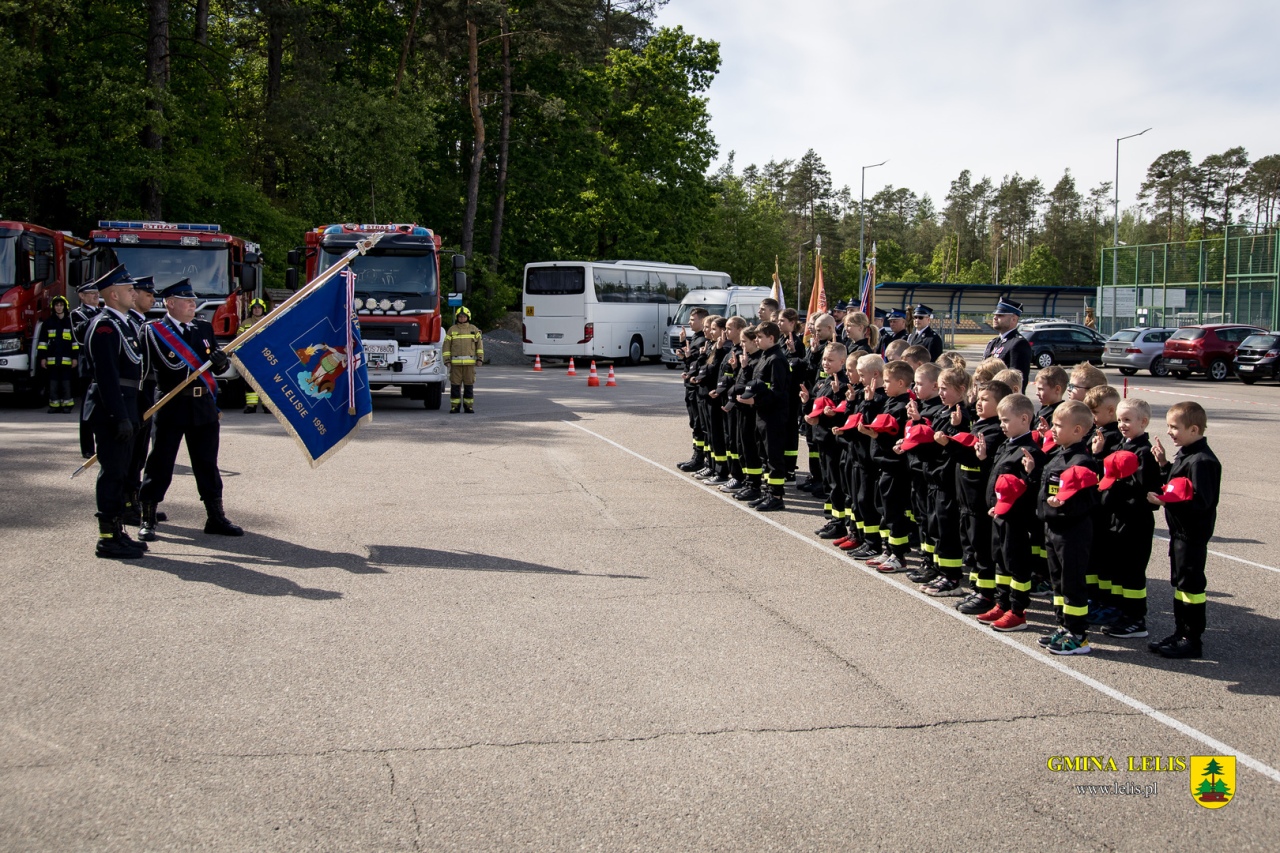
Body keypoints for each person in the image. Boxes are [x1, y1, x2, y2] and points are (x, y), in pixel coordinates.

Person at [137, 279, 243, 541]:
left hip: (202, 405)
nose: (192, 304)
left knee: (207, 463)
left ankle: (215, 516)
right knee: (160, 463)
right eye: (186, 300)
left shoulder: (203, 328)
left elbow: (216, 366)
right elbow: (143, 373)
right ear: (170, 303)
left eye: (193, 300)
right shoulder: (153, 331)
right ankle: (148, 517)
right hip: (170, 405)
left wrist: (220, 363)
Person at [1146, 401, 1221, 659]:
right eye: (1168, 426)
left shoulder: (1203, 461)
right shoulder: (1186, 454)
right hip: (1180, 533)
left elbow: (1201, 502)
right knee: (1180, 584)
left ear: (1194, 429)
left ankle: (1192, 638)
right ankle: (1181, 633)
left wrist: (1166, 502)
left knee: (1191, 587)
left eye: (1174, 427)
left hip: (1192, 534)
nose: (1169, 432)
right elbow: (1178, 486)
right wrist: (1164, 464)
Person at [1028, 401, 1104, 654]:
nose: (1054, 429)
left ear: (1078, 430)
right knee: (1058, 583)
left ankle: (1078, 634)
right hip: (1053, 528)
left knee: (1072, 584)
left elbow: (1090, 500)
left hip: (1071, 531)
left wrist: (1063, 505)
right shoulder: (1060, 454)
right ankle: (1063, 625)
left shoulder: (1082, 462)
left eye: (1059, 425)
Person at [82, 265, 146, 559]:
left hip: (126, 405)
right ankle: (107, 538)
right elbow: (107, 376)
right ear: (113, 294)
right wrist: (120, 415)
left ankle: (119, 530)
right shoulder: (105, 326)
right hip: (112, 409)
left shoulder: (125, 323)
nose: (135, 293)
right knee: (112, 473)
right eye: (130, 289)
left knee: (122, 473)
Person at [975, 392, 1044, 631]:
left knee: (1017, 564)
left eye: (1005, 420)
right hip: (999, 516)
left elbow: (1029, 489)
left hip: (1016, 519)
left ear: (1024, 419)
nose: (1002, 425)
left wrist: (1033, 472)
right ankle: (1001, 603)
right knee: (1001, 561)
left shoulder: (1030, 452)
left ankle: (1017, 610)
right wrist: (984, 459)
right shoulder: (1008, 444)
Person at [1097, 398, 1160, 640]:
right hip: (1117, 518)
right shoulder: (1122, 446)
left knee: (1132, 572)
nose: (1122, 425)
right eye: (1120, 419)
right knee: (1119, 569)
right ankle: (1120, 611)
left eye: (1127, 420)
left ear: (1143, 422)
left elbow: (1146, 488)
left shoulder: (1144, 452)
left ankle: (1136, 619)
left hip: (1135, 521)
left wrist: (1122, 485)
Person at [951, 380, 1011, 616]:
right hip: (967, 501)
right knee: (974, 547)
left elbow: (987, 466)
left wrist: (981, 456)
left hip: (979, 504)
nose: (978, 403)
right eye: (979, 398)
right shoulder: (979, 425)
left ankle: (986, 593)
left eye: (986, 400)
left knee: (984, 549)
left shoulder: (995, 432)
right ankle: (977, 588)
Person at [859, 359, 914, 572]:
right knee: (884, 509)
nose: (885, 384)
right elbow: (875, 421)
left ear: (901, 383)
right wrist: (870, 402)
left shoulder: (902, 406)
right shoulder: (890, 401)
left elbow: (891, 434)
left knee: (894, 512)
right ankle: (889, 549)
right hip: (883, 465)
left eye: (888, 381)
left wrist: (874, 435)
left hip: (895, 466)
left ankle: (898, 555)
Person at [735, 322, 789, 512]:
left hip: (773, 416)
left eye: (759, 337)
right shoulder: (765, 357)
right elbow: (757, 383)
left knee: (774, 457)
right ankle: (768, 492)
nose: (756, 340)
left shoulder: (776, 359)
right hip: (762, 415)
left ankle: (776, 496)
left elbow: (777, 391)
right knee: (765, 456)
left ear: (771, 338)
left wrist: (755, 401)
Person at [122, 276, 157, 526]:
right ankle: (126, 503)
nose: (152, 299)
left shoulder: (141, 322)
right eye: (148, 295)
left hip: (145, 396)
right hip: (135, 396)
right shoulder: (131, 324)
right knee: (130, 454)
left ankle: (135, 500)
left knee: (140, 453)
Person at [676, 308, 710, 473]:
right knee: (694, 422)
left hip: (697, 387)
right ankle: (697, 456)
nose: (689, 322)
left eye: (692, 319)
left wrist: (687, 356)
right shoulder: (696, 338)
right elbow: (691, 361)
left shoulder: (703, 339)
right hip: (690, 386)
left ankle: (699, 458)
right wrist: (683, 348)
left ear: (703, 321)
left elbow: (698, 363)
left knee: (698, 423)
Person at [71, 280, 101, 457]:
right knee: (86, 409)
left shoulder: (100, 312)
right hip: (87, 366)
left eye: (97, 292)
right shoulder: (78, 314)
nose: (96, 295)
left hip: (100, 364)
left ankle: (102, 444)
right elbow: (80, 336)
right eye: (91, 293)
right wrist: (99, 318)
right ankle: (88, 448)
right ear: (82, 296)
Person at [38, 295, 78, 413]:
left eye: (61, 305)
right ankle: (54, 405)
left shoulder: (70, 322)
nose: (59, 308)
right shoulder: (48, 323)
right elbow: (42, 343)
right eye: (57, 305)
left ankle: (67, 405)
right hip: (52, 360)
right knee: (53, 384)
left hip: (67, 360)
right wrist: (42, 358)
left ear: (65, 307)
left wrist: (75, 358)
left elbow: (74, 343)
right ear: (53, 307)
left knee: (66, 384)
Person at [983, 298, 1033, 390]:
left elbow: (1017, 381)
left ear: (1013, 319)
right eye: (995, 315)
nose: (995, 317)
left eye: (1000, 315)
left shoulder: (1018, 343)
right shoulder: (993, 343)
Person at [443, 305, 484, 413]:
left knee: (469, 386)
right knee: (455, 386)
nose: (462, 318)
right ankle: (454, 407)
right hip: (455, 365)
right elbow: (446, 346)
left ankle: (468, 406)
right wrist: (446, 360)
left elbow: (479, 346)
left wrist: (480, 359)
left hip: (469, 365)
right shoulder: (452, 330)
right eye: (460, 317)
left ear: (468, 317)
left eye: (464, 316)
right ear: (457, 317)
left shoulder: (473, 329)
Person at [239, 299, 269, 413]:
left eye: (259, 308)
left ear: (263, 309)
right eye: (254, 308)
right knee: (250, 382)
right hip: (250, 356)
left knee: (266, 382)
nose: (257, 310)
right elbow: (239, 339)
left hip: (265, 356)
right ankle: (251, 406)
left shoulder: (268, 321)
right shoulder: (245, 323)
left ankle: (267, 406)